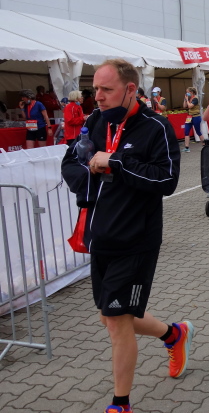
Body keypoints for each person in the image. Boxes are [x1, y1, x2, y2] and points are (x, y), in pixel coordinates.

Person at [60, 59, 192, 413]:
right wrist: (92, 175)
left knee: (117, 324)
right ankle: (174, 334)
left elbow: (167, 180)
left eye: (106, 89)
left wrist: (116, 163)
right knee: (109, 316)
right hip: (100, 236)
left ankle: (120, 404)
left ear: (130, 89)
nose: (98, 97)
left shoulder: (156, 127)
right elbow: (69, 163)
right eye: (95, 89)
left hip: (136, 240)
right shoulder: (95, 121)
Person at [181, 87, 204, 152]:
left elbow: (190, 106)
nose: (187, 93)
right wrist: (185, 99)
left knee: (198, 131)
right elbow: (184, 106)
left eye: (188, 92)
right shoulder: (189, 98)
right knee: (186, 131)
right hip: (189, 117)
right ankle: (187, 147)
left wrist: (187, 100)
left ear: (192, 92)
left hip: (196, 116)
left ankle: (204, 144)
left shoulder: (195, 99)